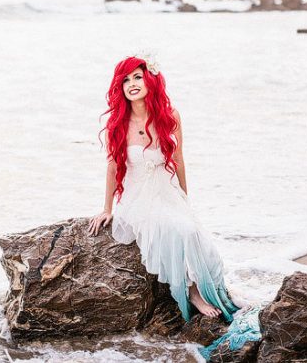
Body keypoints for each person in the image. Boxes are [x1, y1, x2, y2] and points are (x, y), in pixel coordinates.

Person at [88, 54, 238, 322]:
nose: (132, 83)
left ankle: (202, 287)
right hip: (137, 197)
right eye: (125, 80)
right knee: (177, 230)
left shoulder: (170, 116)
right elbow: (112, 168)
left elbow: (178, 159)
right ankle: (192, 292)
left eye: (137, 77)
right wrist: (106, 208)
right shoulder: (117, 124)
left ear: (149, 81)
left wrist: (184, 198)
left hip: (166, 190)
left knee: (191, 229)